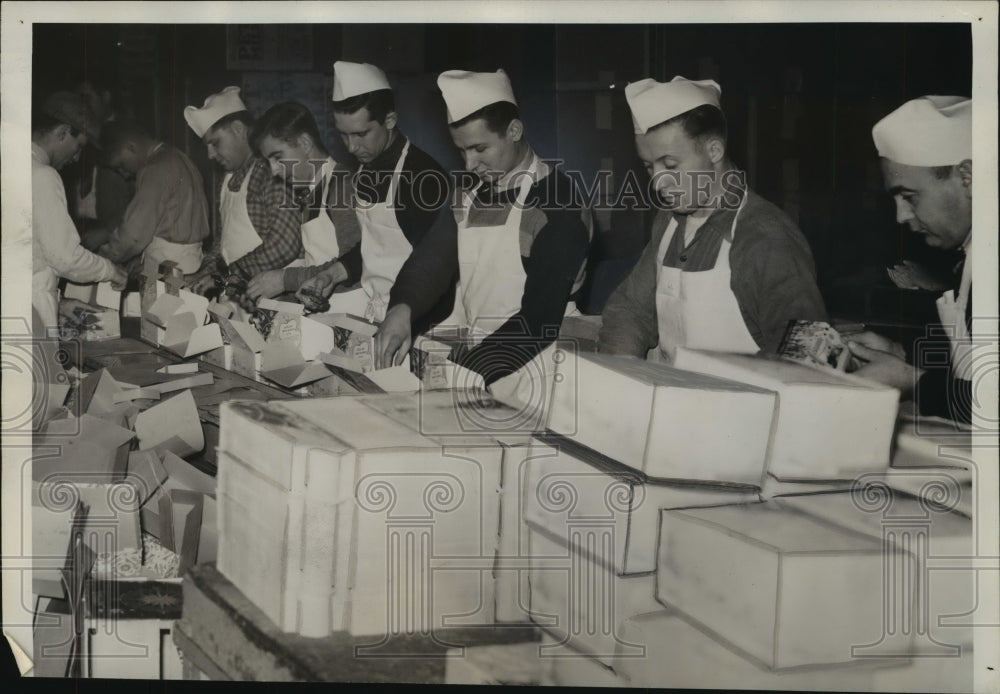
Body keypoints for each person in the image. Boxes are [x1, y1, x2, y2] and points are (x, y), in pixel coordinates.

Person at [374, 69, 593, 392]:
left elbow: (539, 321)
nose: (469, 165)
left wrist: (462, 374)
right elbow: (432, 261)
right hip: (482, 361)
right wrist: (401, 308)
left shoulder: (558, 203)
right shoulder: (468, 195)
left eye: (480, 149)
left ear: (514, 130)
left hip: (540, 368)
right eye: (461, 151)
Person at [598, 76, 827, 363]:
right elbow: (630, 309)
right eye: (648, 167)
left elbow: (808, 355)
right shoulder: (669, 223)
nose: (658, 182)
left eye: (670, 165)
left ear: (714, 151)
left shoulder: (766, 237)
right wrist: (624, 370)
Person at [293, 61, 454, 323]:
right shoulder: (364, 173)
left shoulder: (424, 178)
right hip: (380, 315)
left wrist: (406, 326)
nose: (352, 147)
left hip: (424, 324)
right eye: (343, 135)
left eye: (361, 134)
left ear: (389, 120)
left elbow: (440, 270)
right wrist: (331, 275)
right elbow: (372, 250)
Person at [847, 96, 973, 424]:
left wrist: (912, 381)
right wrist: (898, 353)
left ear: (967, 176)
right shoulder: (971, 255)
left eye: (910, 197)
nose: (901, 216)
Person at [183, 86, 302, 304]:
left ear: (238, 129)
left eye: (215, 143)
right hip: (239, 297)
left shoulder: (269, 172)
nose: (210, 155)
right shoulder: (228, 179)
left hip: (274, 302)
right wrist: (200, 274)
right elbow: (223, 244)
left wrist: (225, 276)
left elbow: (286, 243)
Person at [244, 100, 361, 304]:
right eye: (268, 162)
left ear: (305, 144)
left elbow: (352, 264)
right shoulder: (313, 191)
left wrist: (284, 280)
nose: (274, 171)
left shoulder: (341, 186)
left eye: (278, 157)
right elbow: (316, 261)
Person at [31, 91, 127, 333]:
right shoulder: (43, 175)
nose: (77, 158)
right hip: (32, 316)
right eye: (79, 146)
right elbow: (65, 258)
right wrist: (111, 271)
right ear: (63, 132)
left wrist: (61, 303)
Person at [93, 120, 210, 276]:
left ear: (131, 147)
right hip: (189, 262)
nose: (124, 174)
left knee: (157, 300)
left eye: (121, 165)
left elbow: (134, 235)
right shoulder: (178, 157)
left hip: (167, 266)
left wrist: (101, 258)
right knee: (179, 299)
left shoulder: (154, 168)